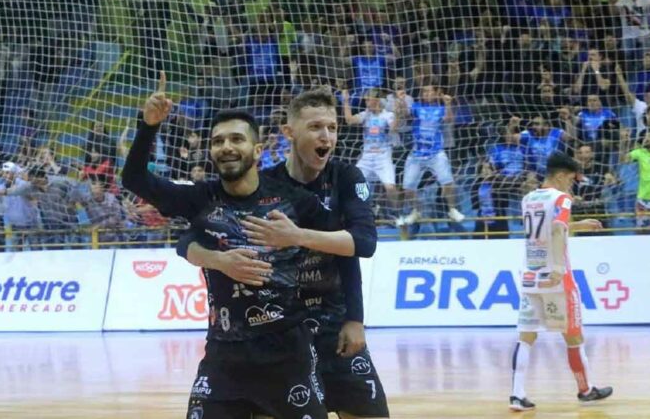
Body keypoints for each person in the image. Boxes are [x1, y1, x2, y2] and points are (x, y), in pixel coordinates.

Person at [122, 73, 374, 419]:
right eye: (218, 141)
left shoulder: (295, 201)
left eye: (237, 139)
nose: (227, 147)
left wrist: (352, 314)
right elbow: (138, 183)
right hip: (224, 357)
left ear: (256, 150)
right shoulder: (200, 199)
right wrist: (148, 127)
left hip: (288, 353)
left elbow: (354, 245)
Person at [509, 152, 613, 411]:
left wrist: (579, 225)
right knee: (574, 337)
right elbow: (556, 229)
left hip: (531, 277)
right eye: (570, 179)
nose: (572, 185)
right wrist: (556, 268)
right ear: (560, 175)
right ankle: (585, 389)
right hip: (557, 280)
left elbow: (548, 228)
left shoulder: (528, 198)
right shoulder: (561, 198)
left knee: (526, 337)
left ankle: (517, 394)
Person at [396, 84, 465, 225]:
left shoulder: (440, 109)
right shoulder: (416, 106)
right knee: (408, 188)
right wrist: (402, 100)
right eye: (424, 91)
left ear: (436, 92)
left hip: (436, 153)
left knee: (448, 183)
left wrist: (448, 104)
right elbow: (405, 114)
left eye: (429, 91)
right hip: (416, 154)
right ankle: (416, 212)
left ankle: (452, 210)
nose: (426, 93)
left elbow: (449, 120)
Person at [342, 87, 401, 210]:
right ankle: (368, 208)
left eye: (368, 100)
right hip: (367, 157)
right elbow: (349, 120)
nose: (366, 103)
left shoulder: (387, 115)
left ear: (377, 100)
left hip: (383, 157)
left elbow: (394, 128)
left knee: (390, 188)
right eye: (365, 100)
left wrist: (397, 113)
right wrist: (346, 101)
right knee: (355, 183)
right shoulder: (365, 115)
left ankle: (397, 213)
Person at [620, 130, 650, 229]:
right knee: (641, 228)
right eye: (646, 137)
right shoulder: (640, 153)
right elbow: (623, 160)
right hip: (643, 198)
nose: (647, 139)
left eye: (649, 137)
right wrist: (624, 143)